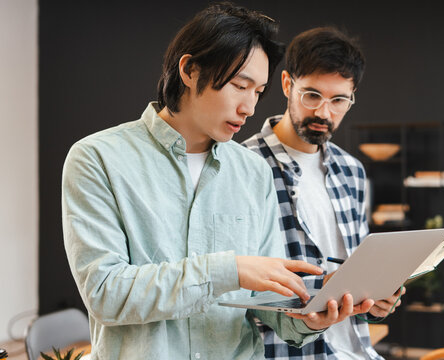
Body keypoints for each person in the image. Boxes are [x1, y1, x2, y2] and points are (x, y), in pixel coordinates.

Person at [62, 4, 374, 360]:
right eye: (240, 86)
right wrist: (230, 270)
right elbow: (105, 294)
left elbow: (265, 303)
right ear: (190, 70)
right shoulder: (98, 158)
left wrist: (310, 316)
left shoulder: (252, 172)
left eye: (257, 92)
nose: (249, 108)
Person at [243, 27, 404, 359]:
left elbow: (357, 270)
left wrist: (377, 300)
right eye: (311, 95)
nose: (324, 113)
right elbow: (239, 284)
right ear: (287, 84)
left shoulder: (352, 171)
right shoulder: (244, 167)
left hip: (355, 350)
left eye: (339, 100)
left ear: (352, 96)